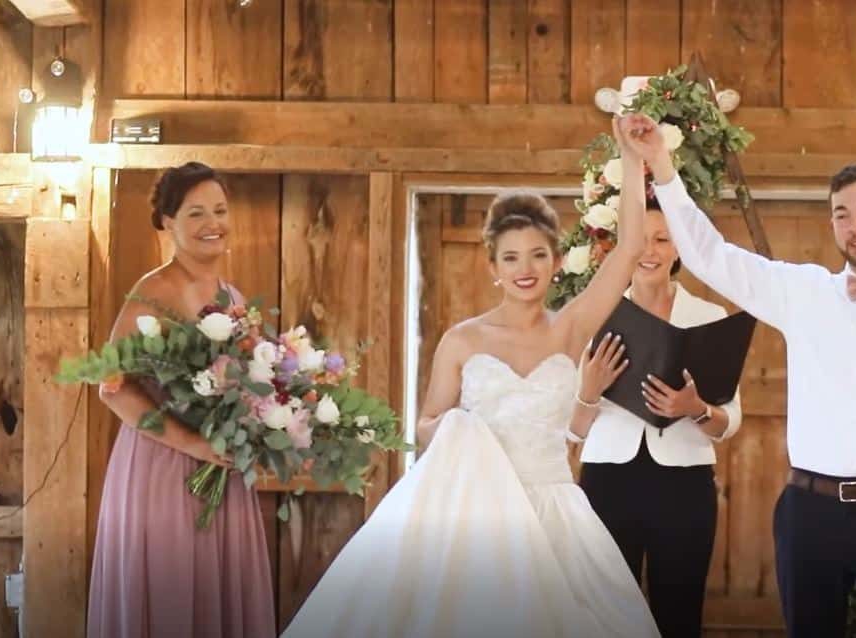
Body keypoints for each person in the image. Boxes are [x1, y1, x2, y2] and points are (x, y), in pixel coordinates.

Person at [280, 118, 658, 638]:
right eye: (511, 258)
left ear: (553, 263)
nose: (525, 268)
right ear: (493, 268)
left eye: (537, 255)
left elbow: (631, 249)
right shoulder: (463, 339)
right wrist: (460, 429)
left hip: (554, 516)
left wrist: (632, 156)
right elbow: (427, 424)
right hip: (478, 516)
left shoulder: (571, 327)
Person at [618, 113, 856, 637]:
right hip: (808, 514)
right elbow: (709, 255)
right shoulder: (803, 292)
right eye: (840, 214)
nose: (854, 225)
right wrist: (662, 166)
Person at [88, 162, 277, 638]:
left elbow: (252, 381)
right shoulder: (153, 292)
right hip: (163, 465)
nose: (213, 223)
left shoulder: (232, 296)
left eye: (220, 210)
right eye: (196, 214)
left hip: (222, 467)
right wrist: (192, 443)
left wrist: (262, 426)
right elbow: (111, 386)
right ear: (168, 223)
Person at [570, 196, 743, 638]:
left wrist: (695, 409)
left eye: (663, 239)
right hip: (608, 479)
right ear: (620, 248)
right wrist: (588, 392)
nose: (650, 251)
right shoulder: (594, 317)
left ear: (680, 248)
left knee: (680, 613)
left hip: (684, 485)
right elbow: (568, 432)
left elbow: (730, 422)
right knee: (605, 617)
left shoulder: (709, 318)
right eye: (640, 240)